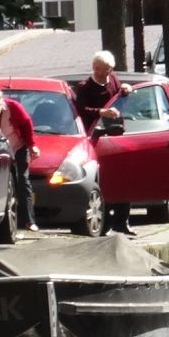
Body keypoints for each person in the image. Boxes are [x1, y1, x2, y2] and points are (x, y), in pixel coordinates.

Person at [73, 51, 135, 236]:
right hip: (97, 137)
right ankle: (106, 224)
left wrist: (126, 89)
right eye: (97, 69)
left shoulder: (113, 80)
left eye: (104, 69)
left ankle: (123, 222)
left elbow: (120, 96)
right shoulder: (84, 87)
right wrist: (101, 112)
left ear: (111, 69)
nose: (100, 72)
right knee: (104, 180)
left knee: (123, 178)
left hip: (117, 135)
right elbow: (81, 110)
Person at [0, 88, 40, 232]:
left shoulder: (13, 107)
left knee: (23, 181)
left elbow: (26, 125)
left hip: (17, 147)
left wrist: (32, 146)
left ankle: (29, 220)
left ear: (1, 104)